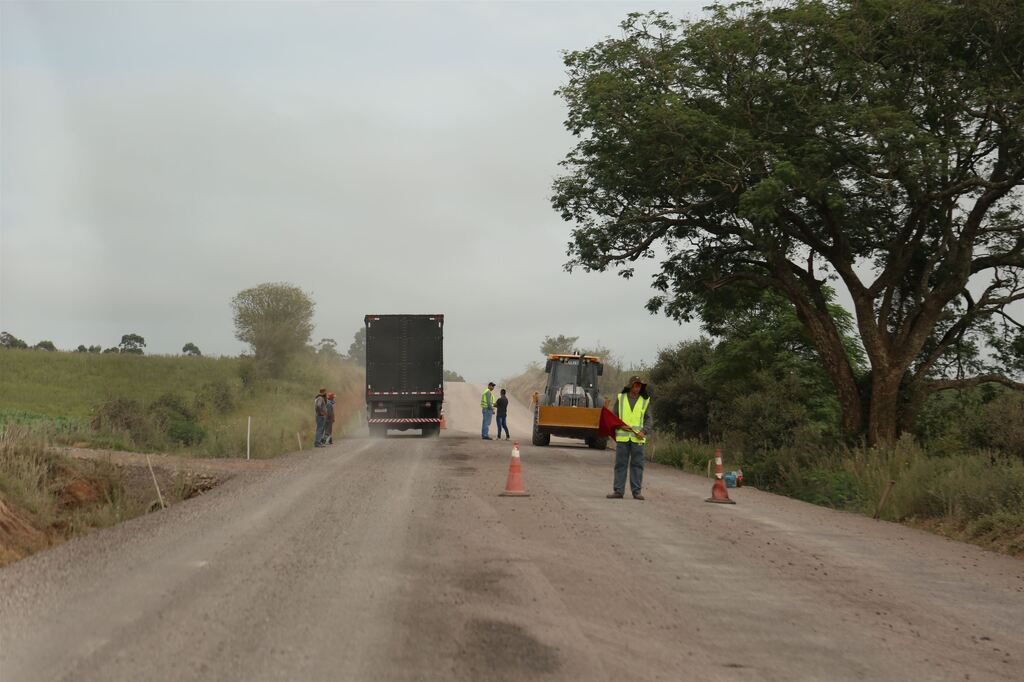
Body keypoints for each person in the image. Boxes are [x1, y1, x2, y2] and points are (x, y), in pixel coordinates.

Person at [607, 375, 652, 500]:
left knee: (637, 465)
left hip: (638, 439)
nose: (638, 388)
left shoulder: (645, 401)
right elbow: (614, 417)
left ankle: (636, 492)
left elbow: (649, 419)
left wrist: (643, 431)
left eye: (640, 386)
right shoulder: (621, 398)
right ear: (631, 386)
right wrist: (620, 425)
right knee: (620, 465)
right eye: (636, 385)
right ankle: (618, 491)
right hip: (623, 439)